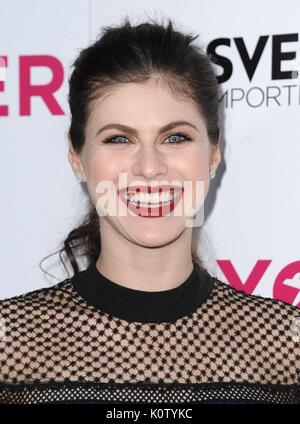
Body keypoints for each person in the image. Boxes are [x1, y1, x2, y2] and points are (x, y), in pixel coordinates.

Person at [0, 17, 299, 404]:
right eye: (119, 138)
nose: (149, 167)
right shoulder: (12, 346)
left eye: (175, 137)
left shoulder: (283, 348)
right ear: (77, 157)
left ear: (213, 152)